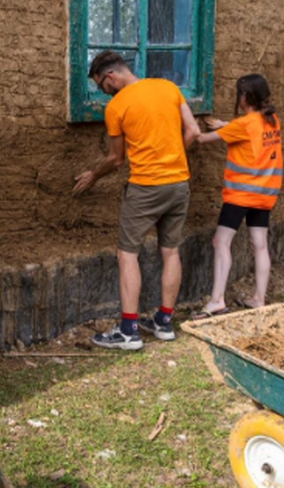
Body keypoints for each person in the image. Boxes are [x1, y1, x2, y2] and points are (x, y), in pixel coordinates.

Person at [73, 50, 202, 350]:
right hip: (179, 183)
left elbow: (116, 159)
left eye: (101, 86)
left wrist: (93, 174)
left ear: (110, 77)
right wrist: (174, 157)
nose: (103, 93)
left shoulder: (118, 106)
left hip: (146, 187)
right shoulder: (169, 88)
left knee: (127, 254)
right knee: (170, 251)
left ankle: (129, 330)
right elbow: (193, 131)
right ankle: (164, 322)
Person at [190, 74, 283, 318]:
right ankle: (259, 299)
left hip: (241, 195)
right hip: (265, 194)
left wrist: (185, 115)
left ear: (245, 97)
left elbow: (200, 139)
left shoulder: (241, 125)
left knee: (220, 242)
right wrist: (225, 125)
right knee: (260, 245)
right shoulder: (272, 120)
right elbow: (249, 132)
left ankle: (217, 300)